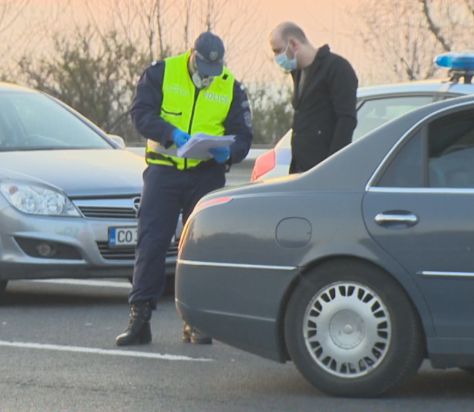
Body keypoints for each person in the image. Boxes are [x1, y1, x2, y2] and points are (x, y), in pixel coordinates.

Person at [116, 31, 253, 347]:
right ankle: (140, 319)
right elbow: (140, 113)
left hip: (205, 175)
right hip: (164, 171)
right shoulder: (162, 72)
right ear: (193, 54)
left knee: (198, 248)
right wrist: (169, 133)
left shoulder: (231, 86)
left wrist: (229, 152)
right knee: (151, 242)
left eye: (212, 72)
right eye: (203, 68)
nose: (207, 76)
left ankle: (195, 321)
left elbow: (243, 134)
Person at [269, 22, 358, 174]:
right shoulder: (298, 73)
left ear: (293, 44)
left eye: (278, 51)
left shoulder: (336, 68)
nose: (276, 57)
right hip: (301, 170)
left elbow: (346, 119)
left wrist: (332, 166)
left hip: (324, 171)